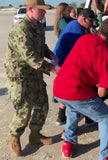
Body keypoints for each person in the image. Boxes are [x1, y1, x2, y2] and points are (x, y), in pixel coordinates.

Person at [53, 17, 108, 160]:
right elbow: (102, 91)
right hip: (76, 92)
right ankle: (106, 156)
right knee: (106, 117)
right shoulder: (106, 55)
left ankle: (68, 144)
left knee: (73, 108)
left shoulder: (84, 39)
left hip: (59, 88)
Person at [4, 0, 60, 157]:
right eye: (40, 10)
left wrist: (51, 54)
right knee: (24, 108)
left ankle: (35, 134)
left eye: (44, 10)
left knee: (42, 104)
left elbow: (41, 47)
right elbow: (30, 57)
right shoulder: (21, 29)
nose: (43, 12)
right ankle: (14, 137)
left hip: (35, 73)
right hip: (20, 75)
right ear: (30, 9)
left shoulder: (37, 26)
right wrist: (53, 68)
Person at [53, 8, 96, 126]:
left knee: (66, 89)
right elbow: (88, 50)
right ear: (83, 19)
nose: (92, 24)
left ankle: (61, 117)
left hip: (60, 60)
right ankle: (88, 117)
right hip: (63, 63)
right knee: (84, 87)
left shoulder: (73, 23)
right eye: (91, 21)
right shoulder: (78, 33)